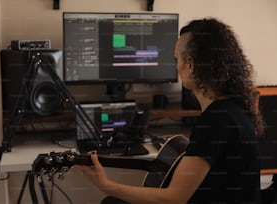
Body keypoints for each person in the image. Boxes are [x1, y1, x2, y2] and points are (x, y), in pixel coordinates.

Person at [76, 18, 264, 204]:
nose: (176, 67)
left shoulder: (215, 121)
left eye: (177, 60)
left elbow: (173, 199)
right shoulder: (234, 109)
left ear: (190, 65)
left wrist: (105, 184)